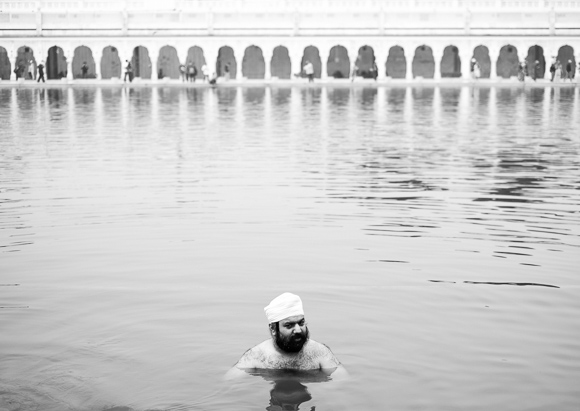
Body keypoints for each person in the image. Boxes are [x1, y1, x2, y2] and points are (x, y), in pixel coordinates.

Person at [226, 293, 345, 379]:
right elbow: (228, 385)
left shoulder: (319, 353)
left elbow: (343, 384)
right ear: (273, 329)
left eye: (301, 323)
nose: (298, 330)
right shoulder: (257, 357)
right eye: (289, 325)